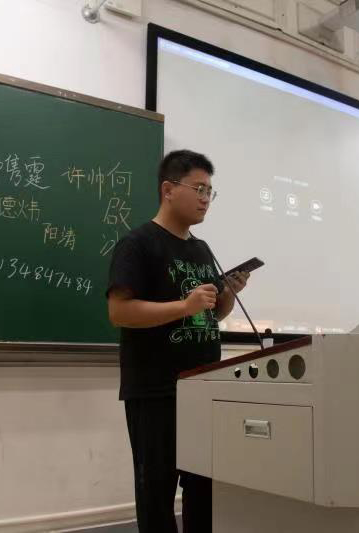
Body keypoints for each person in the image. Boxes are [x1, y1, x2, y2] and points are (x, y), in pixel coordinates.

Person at [106, 149, 250, 533]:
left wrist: (228, 294)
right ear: (168, 190)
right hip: (156, 391)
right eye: (199, 188)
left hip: (203, 390)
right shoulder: (138, 243)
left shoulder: (201, 249)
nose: (206, 199)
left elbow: (211, 315)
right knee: (156, 495)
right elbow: (119, 311)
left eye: (210, 191)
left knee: (204, 492)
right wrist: (184, 306)